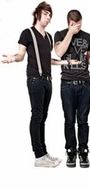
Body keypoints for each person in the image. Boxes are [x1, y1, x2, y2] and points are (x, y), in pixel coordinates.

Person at [1, 1, 62, 167]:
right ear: (37, 14)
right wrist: (12, 58)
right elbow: (21, 55)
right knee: (37, 116)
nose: (48, 17)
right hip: (35, 80)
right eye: (46, 14)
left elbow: (48, 61)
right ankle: (38, 156)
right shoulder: (27, 33)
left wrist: (65, 62)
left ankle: (43, 152)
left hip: (48, 82)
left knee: (43, 117)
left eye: (50, 15)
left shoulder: (49, 37)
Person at [54, 9, 90, 168]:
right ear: (68, 22)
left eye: (79, 24)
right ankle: (71, 151)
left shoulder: (87, 36)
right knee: (69, 120)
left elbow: (87, 59)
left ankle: (83, 150)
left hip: (85, 84)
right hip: (67, 84)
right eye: (74, 25)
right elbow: (59, 52)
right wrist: (70, 33)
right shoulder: (60, 34)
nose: (77, 27)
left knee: (83, 120)